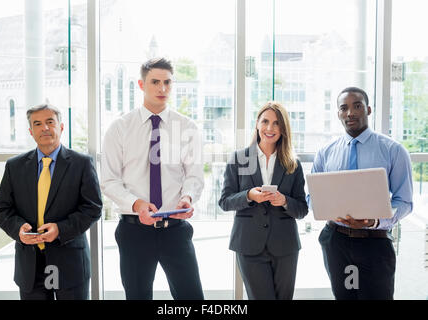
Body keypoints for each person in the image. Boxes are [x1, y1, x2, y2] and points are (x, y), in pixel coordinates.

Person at [101, 57, 204, 300]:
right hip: (134, 230)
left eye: (167, 82)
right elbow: (109, 180)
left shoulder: (187, 127)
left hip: (175, 230)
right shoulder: (120, 128)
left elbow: (194, 176)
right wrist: (137, 204)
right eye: (155, 82)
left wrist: (187, 197)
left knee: (192, 298)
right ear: (141, 84)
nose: (162, 88)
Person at [308, 87, 413, 300]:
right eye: (344, 108)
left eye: (357, 106)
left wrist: (375, 221)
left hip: (374, 242)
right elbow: (312, 197)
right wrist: (326, 210)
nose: (350, 113)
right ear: (338, 114)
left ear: (369, 109)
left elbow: (405, 202)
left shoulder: (393, 150)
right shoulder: (326, 152)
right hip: (336, 242)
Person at [0, 103, 102, 300]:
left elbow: (93, 208)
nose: (44, 128)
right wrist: (19, 230)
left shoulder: (82, 164)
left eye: (50, 122)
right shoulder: (14, 166)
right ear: (31, 131)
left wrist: (61, 229)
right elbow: (3, 211)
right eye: (37, 124)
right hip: (30, 266)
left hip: (70, 264)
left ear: (61, 127)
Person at [218, 101, 308, 300]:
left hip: (285, 246)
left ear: (283, 129)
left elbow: (302, 209)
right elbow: (224, 201)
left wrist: (284, 200)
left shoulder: (293, 163)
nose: (270, 128)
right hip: (249, 245)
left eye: (277, 123)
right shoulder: (238, 159)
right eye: (265, 121)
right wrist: (249, 195)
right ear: (257, 124)